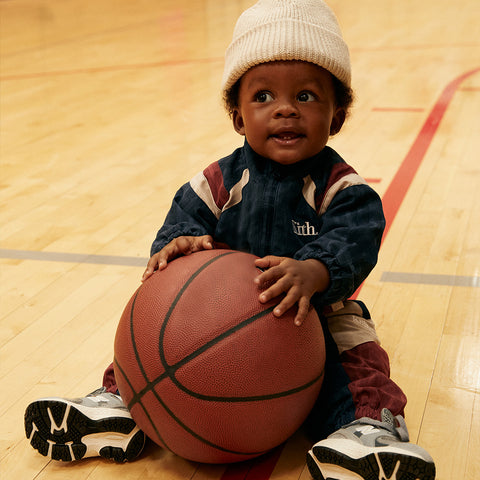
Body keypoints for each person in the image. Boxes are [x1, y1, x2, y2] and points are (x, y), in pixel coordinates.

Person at [24, 1, 436, 479]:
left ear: (336, 115)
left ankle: (368, 430)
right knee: (155, 340)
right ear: (238, 118)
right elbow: (183, 218)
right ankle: (119, 406)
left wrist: (318, 270)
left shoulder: (342, 189)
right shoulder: (218, 181)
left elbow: (356, 238)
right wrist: (178, 244)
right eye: (263, 97)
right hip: (216, 315)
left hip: (313, 311)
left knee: (358, 357)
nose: (284, 108)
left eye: (306, 96)